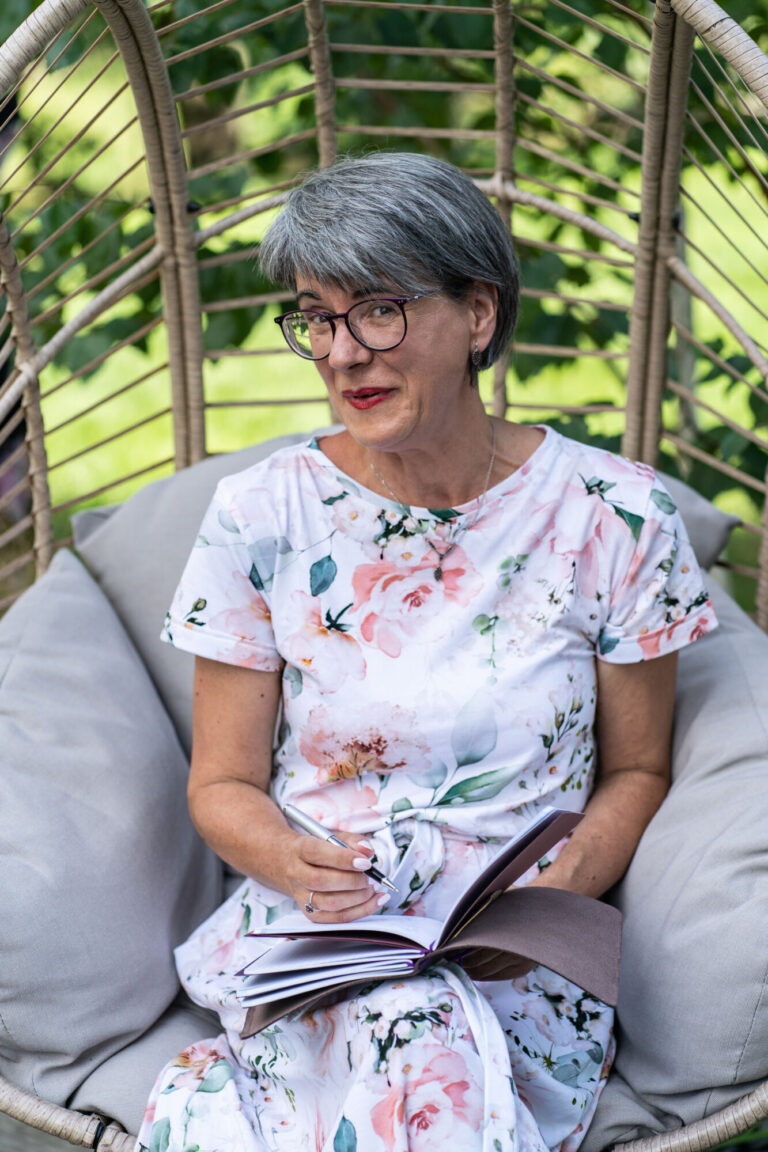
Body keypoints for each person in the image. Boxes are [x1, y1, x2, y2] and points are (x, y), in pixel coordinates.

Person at [138, 152, 716, 1152]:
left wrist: (569, 880)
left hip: (508, 960)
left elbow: (639, 768)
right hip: (322, 948)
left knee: (420, 1054)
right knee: (402, 1052)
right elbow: (220, 784)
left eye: (378, 311)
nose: (341, 353)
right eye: (316, 318)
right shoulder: (260, 515)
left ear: (479, 314)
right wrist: (291, 863)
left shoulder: (616, 515)